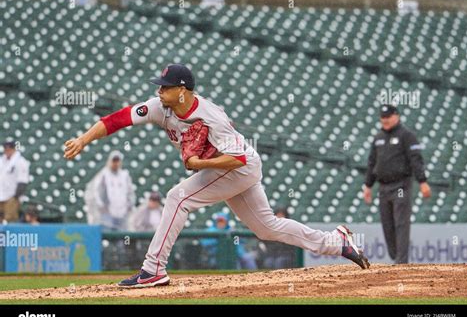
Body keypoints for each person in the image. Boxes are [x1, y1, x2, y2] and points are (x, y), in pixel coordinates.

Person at [64, 63, 369, 288]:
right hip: (228, 169)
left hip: (240, 167)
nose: (159, 90)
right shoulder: (160, 107)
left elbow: (237, 158)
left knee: (178, 197)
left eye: (165, 86)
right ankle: (336, 242)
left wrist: (199, 164)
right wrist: (83, 139)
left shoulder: (211, 116)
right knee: (266, 227)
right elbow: (119, 118)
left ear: (182, 90)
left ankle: (153, 268)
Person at [363, 104, 432, 264]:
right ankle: (396, 256)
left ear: (396, 116)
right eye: (382, 117)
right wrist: (368, 185)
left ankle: (401, 262)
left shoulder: (407, 135)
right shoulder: (378, 138)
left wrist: (422, 182)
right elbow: (372, 162)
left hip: (401, 185)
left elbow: (416, 160)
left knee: (401, 223)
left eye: (388, 117)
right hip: (383, 187)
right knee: (387, 224)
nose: (385, 120)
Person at [84, 150, 135, 231]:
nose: (116, 163)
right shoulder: (104, 175)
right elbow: (95, 192)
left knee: (122, 237)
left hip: (122, 212)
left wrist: (129, 205)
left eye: (117, 161)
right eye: (114, 161)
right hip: (108, 213)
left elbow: (130, 192)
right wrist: (102, 206)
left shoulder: (124, 175)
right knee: (108, 234)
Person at [0, 141, 30, 222]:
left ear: (14, 149)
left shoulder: (20, 162)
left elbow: (23, 181)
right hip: (1, 195)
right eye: (5, 149)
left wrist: (15, 197)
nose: (7, 151)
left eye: (9, 149)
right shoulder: (2, 160)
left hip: (12, 197)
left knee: (10, 220)